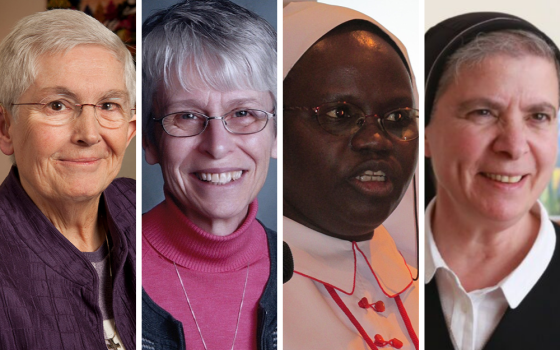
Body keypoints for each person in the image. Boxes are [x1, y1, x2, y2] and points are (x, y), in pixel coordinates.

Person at [141, 1, 277, 349]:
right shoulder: (105, 269)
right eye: (186, 116)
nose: (217, 147)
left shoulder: (308, 274)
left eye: (244, 113)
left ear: (276, 136)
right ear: (150, 142)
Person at [283, 2, 419, 349]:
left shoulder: (429, 288)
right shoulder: (250, 296)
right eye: (340, 113)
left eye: (398, 117)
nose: (376, 140)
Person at [0, 9, 136, 350]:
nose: (88, 134)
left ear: (129, 129)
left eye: (108, 105)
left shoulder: (149, 211)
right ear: (6, 128)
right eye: (58, 105)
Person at [425, 12, 560, 349]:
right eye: (483, 112)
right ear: (423, 131)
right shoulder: (363, 273)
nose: (514, 146)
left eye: (539, 116)